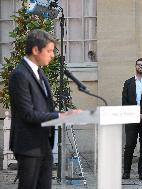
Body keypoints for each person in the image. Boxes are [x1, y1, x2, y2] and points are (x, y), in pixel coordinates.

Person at [8, 29, 68, 189]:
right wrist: (61, 116)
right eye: (49, 51)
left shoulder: (39, 72)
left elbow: (45, 105)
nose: (52, 55)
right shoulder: (19, 75)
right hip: (28, 145)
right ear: (35, 50)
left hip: (44, 143)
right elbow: (28, 114)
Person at [122, 58, 142, 180]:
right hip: (131, 117)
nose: (140, 67)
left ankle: (141, 172)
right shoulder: (128, 82)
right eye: (138, 65)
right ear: (135, 66)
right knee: (129, 145)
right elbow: (125, 101)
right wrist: (133, 114)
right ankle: (126, 171)